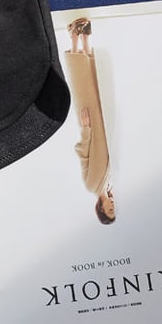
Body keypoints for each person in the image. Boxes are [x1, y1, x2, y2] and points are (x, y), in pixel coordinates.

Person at [66, 17, 116, 225]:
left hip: (92, 124)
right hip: (103, 122)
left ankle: (74, 36)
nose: (113, 206)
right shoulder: (110, 182)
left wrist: (86, 128)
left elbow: (82, 153)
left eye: (110, 209)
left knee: (83, 81)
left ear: (101, 209)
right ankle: (86, 35)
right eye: (114, 209)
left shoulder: (91, 185)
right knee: (96, 80)